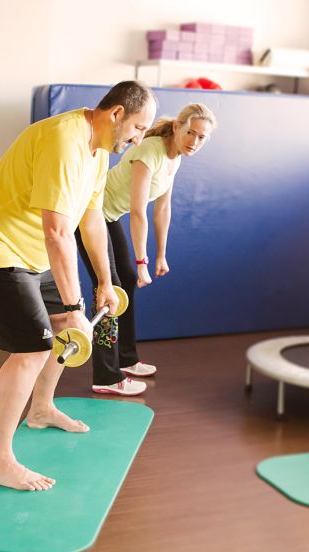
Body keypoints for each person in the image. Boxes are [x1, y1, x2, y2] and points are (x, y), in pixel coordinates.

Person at [0, 81, 157, 491]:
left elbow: (91, 219)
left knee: (63, 330)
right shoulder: (64, 140)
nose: (138, 138)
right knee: (32, 349)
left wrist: (104, 283)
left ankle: (40, 409)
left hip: (32, 253)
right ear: (116, 114)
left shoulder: (99, 149)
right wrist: (75, 306)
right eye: (138, 128)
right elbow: (58, 233)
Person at [75, 103, 216, 396]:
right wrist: (142, 263)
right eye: (190, 133)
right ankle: (106, 376)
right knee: (109, 289)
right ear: (177, 127)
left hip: (107, 216)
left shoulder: (174, 158)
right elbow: (138, 212)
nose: (194, 141)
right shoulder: (150, 151)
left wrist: (161, 255)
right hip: (88, 215)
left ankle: (126, 359)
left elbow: (162, 209)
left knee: (123, 281)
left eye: (201, 137)